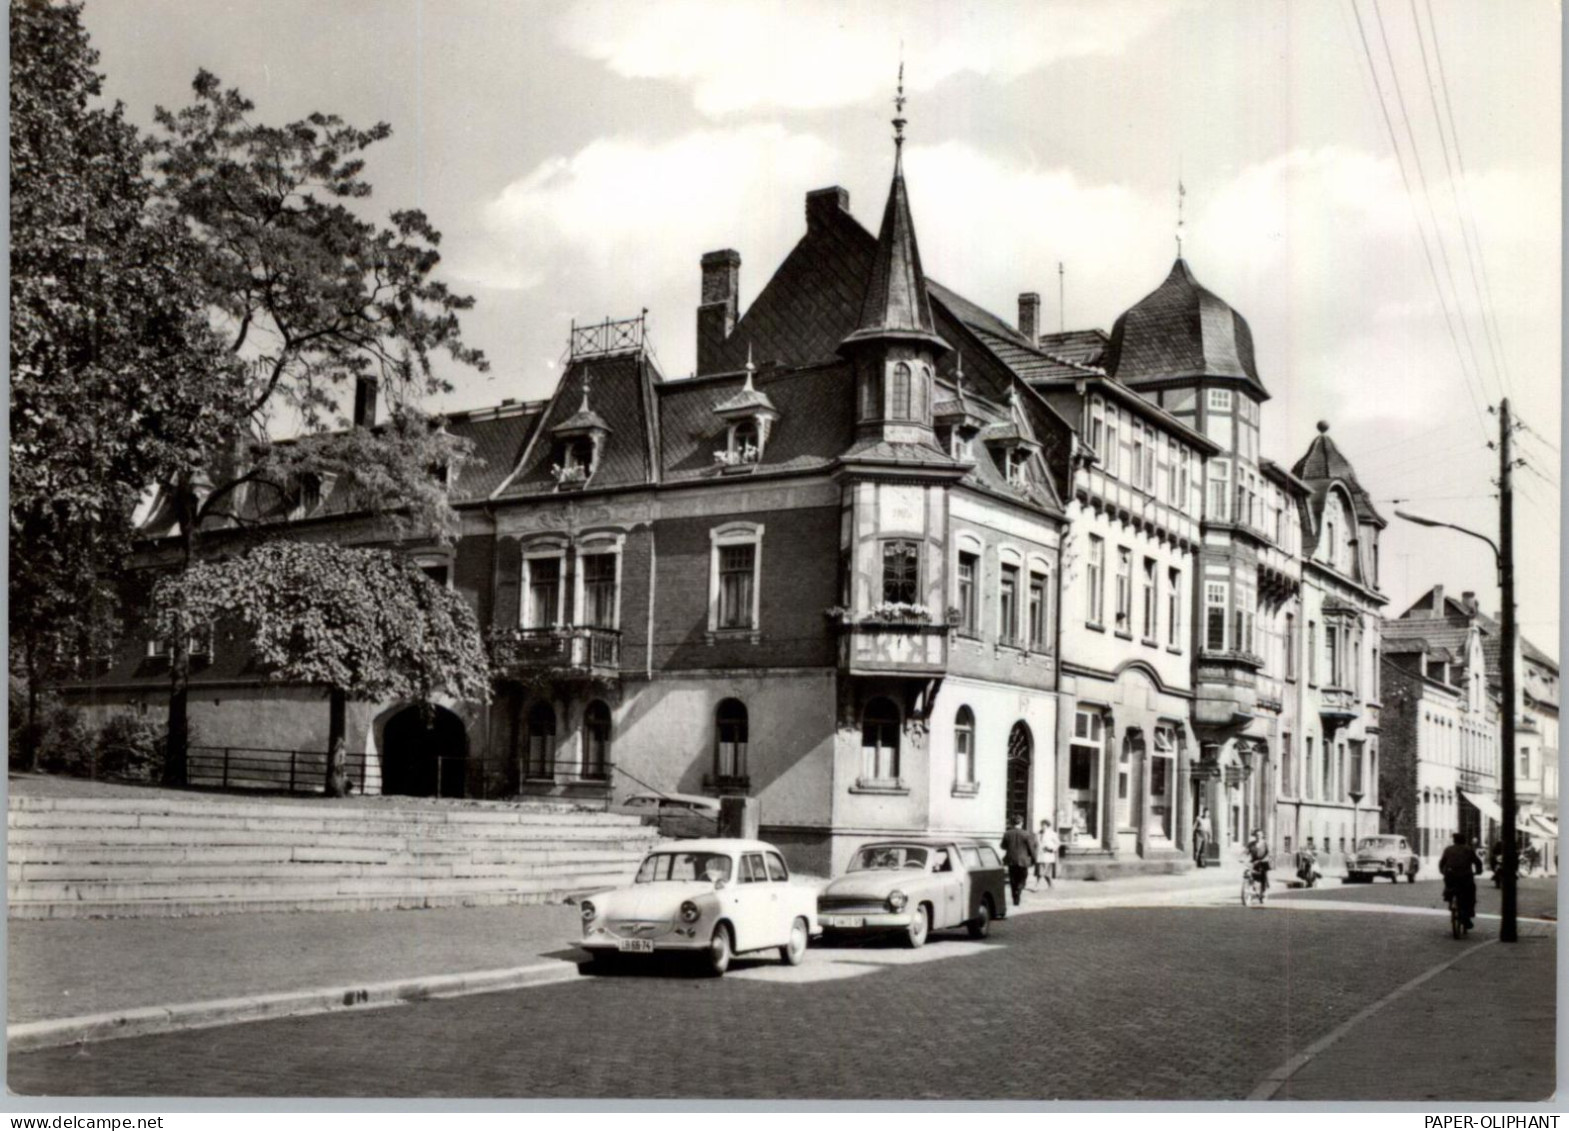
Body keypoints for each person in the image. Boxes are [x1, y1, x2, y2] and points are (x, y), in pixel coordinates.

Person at [1439, 831, 1483, 930]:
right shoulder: (1468, 849)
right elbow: (1477, 862)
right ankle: (1468, 914)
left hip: (1450, 876)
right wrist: (1479, 871)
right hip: (1465, 877)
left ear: (1454, 840)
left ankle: (1450, 900)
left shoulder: (1448, 849)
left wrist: (1442, 871)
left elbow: (1442, 863)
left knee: (1449, 887)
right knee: (1470, 892)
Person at [1000, 815, 1038, 908]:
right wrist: (1034, 859)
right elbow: (1031, 848)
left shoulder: (1007, 833)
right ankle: (1019, 889)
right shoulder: (1026, 834)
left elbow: (1002, 846)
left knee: (1013, 879)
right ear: (1022, 823)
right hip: (1023, 860)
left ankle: (1015, 900)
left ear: (1013, 823)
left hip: (1011, 860)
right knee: (1022, 878)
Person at [1033, 819, 1060, 890]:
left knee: (1041, 871)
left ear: (1048, 826)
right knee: (1044, 872)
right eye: (1041, 825)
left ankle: (1036, 886)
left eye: (1044, 825)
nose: (1042, 827)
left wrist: (1052, 849)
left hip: (1048, 855)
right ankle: (1051, 885)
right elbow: (1036, 844)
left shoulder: (1052, 834)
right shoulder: (1038, 834)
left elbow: (1058, 843)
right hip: (1039, 855)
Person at [1245, 828, 1271, 894]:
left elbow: (1268, 854)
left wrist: (1261, 860)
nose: (1258, 836)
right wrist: (1241, 858)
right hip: (1254, 861)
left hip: (1263, 862)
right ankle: (1250, 885)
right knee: (1248, 872)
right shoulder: (1251, 844)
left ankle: (1264, 890)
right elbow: (1246, 851)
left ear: (1262, 835)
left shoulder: (1265, 843)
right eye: (1256, 835)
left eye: (1259, 835)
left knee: (1263, 875)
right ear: (1254, 836)